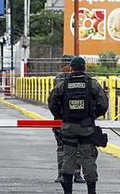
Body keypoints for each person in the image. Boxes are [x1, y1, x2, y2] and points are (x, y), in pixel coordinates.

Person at [48, 57, 108, 194]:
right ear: (85, 69)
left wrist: (60, 116)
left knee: (68, 157)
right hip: (87, 127)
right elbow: (104, 104)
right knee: (88, 158)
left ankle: (68, 191)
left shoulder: (63, 84)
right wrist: (93, 116)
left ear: (70, 69)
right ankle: (91, 191)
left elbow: (52, 101)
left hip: (69, 127)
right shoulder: (92, 84)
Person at [53, 54, 85, 183]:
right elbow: (54, 99)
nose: (61, 67)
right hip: (63, 117)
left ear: (71, 66)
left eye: (64, 64)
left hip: (80, 118)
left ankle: (77, 173)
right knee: (62, 146)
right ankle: (61, 172)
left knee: (79, 147)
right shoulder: (60, 78)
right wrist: (57, 115)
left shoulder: (85, 79)